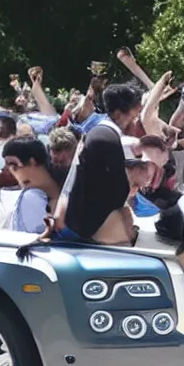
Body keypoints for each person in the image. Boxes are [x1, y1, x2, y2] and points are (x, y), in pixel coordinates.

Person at [53, 83, 145, 245]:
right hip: (87, 236)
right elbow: (117, 194)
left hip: (78, 228)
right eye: (133, 117)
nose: (136, 122)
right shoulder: (105, 138)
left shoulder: (98, 133)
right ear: (117, 114)